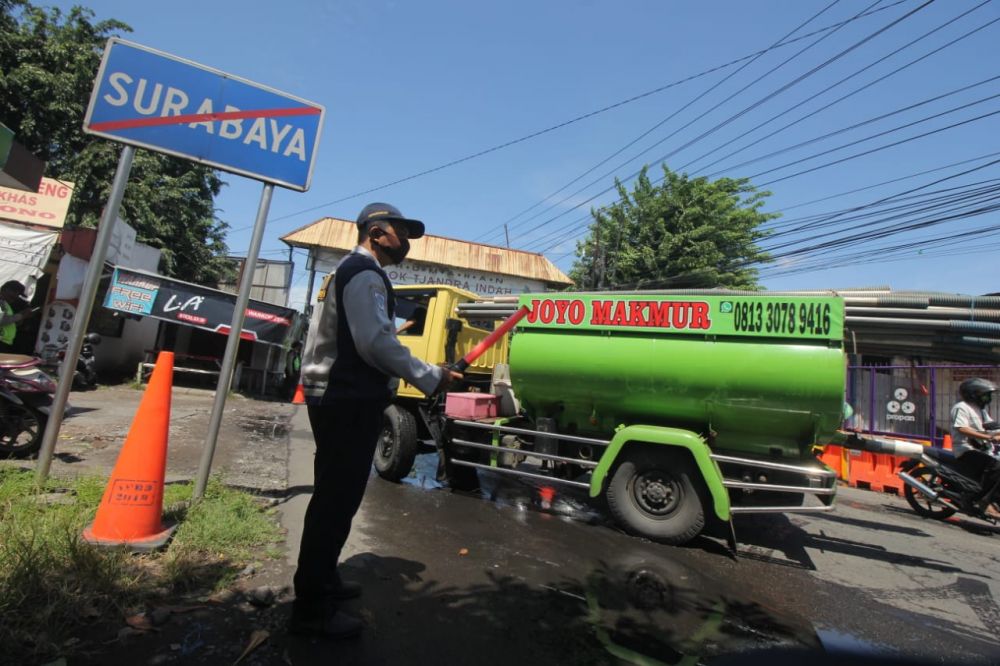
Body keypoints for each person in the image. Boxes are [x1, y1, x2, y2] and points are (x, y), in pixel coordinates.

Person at [291, 203, 462, 639]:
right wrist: (431, 376)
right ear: (377, 231)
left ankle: (324, 580)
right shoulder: (365, 274)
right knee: (334, 500)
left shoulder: (350, 273)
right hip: (345, 397)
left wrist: (427, 369)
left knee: (339, 497)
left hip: (340, 396)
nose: (406, 241)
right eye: (402, 232)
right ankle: (311, 609)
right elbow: (375, 344)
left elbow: (374, 341)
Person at [949, 377, 1000, 490]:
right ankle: (983, 500)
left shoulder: (980, 410)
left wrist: (996, 434)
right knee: (996, 467)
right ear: (973, 394)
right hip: (966, 450)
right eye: (985, 395)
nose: (988, 398)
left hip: (984, 449)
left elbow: (991, 426)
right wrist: (989, 437)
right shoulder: (961, 407)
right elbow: (962, 428)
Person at [0, 280, 40, 354]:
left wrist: (23, 317)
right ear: (6, 289)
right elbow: (2, 320)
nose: (16, 296)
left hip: (5, 343)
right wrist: (21, 315)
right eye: (15, 292)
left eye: (18, 294)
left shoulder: (6, 304)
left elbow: (9, 323)